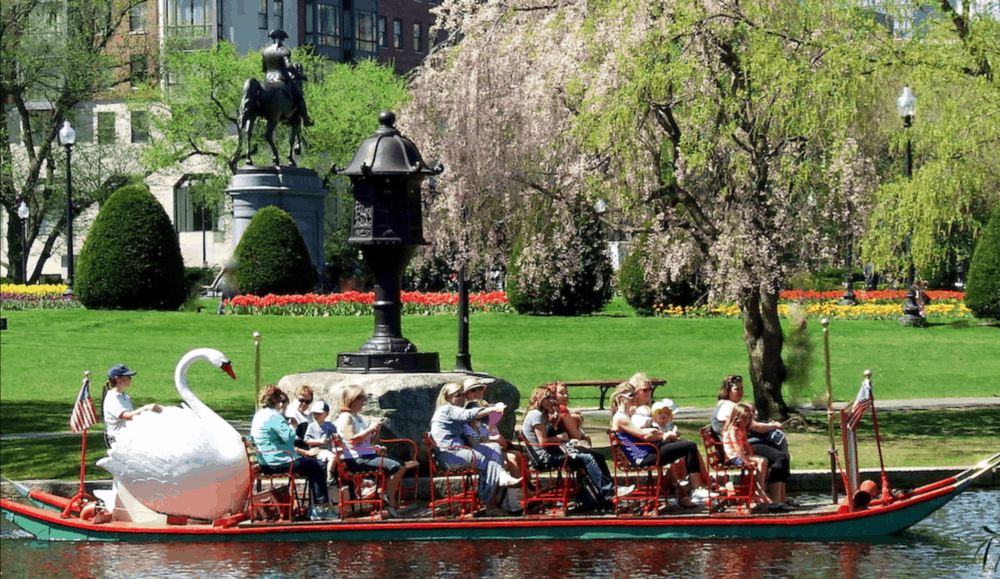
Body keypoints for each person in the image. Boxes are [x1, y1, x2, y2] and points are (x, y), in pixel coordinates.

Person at [522, 386, 625, 508]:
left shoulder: (539, 414)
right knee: (587, 458)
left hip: (550, 454)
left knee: (597, 457)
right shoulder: (536, 415)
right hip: (544, 459)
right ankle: (609, 492)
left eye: (552, 398)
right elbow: (543, 442)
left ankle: (598, 495)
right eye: (547, 397)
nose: (551, 401)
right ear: (538, 398)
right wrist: (560, 438)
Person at [430, 382, 520, 516]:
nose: (462, 398)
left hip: (460, 451)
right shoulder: (447, 409)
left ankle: (496, 487)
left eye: (462, 395)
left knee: (494, 447)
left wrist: (497, 410)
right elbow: (467, 415)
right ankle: (490, 503)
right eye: (457, 395)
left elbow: (482, 421)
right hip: (450, 455)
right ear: (447, 397)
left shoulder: (456, 411)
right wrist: (492, 409)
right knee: (488, 459)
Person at [609, 383, 704, 508]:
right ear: (622, 398)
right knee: (689, 446)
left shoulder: (627, 415)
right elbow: (644, 436)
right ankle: (696, 489)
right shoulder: (621, 417)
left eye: (635, 394)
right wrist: (664, 436)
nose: (635, 397)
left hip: (648, 451)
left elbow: (643, 432)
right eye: (631, 395)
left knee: (685, 445)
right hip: (643, 457)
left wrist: (661, 435)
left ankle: (684, 490)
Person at [251, 385, 334, 521]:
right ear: (277, 400)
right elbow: (289, 438)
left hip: (265, 461)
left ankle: (314, 507)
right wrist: (293, 426)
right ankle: (319, 509)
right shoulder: (274, 415)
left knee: (311, 464)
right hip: (278, 462)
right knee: (318, 466)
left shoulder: (258, 415)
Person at [710, 375, 792, 507]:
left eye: (742, 388)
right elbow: (746, 437)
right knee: (779, 457)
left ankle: (776, 495)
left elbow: (746, 437)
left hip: (742, 450)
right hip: (734, 457)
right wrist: (774, 426)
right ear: (727, 390)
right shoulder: (730, 409)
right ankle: (771, 497)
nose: (741, 392)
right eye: (737, 389)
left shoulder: (733, 409)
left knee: (779, 455)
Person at [333, 384, 407, 518]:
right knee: (397, 466)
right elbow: (352, 441)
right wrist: (369, 429)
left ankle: (384, 494)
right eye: (361, 400)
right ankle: (388, 500)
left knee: (400, 464)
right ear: (352, 400)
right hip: (356, 459)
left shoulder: (357, 417)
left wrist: (375, 433)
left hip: (366, 455)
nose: (363, 403)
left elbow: (366, 442)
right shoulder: (346, 417)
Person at [462, 377, 524, 480]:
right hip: (478, 450)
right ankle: (518, 491)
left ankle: (527, 488)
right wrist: (495, 439)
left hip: (491, 446)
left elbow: (492, 429)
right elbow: (473, 437)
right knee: (512, 458)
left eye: (480, 389)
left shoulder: (485, 406)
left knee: (520, 456)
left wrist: (500, 439)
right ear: (467, 394)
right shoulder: (468, 411)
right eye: (473, 390)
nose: (477, 392)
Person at [721, 402, 771, 506]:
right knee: (761, 461)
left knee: (762, 461)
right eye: (744, 419)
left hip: (740, 456)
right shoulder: (733, 429)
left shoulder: (741, 428)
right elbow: (737, 448)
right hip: (733, 458)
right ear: (736, 417)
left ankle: (758, 489)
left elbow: (745, 444)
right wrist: (746, 461)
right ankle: (760, 491)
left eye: (748, 419)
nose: (746, 421)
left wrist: (751, 453)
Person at [261, 29, 314, 126]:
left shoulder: (265, 51)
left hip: (268, 79)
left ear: (273, 39)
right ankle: (306, 119)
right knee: (299, 96)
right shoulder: (284, 50)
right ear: (282, 39)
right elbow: (288, 66)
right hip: (281, 79)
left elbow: (264, 69)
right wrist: (299, 75)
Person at [102, 364, 162, 449]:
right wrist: (145, 408)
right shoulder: (112, 398)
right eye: (127, 376)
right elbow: (126, 416)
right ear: (118, 379)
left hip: (126, 437)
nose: (130, 378)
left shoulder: (124, 395)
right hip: (116, 439)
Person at [303, 400, 339, 485]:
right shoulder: (311, 426)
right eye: (314, 414)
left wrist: (335, 436)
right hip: (317, 450)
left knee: (339, 457)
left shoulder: (329, 425)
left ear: (326, 414)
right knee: (332, 457)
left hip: (328, 449)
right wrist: (320, 441)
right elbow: (307, 440)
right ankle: (329, 476)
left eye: (319, 414)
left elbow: (336, 434)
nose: (316, 416)